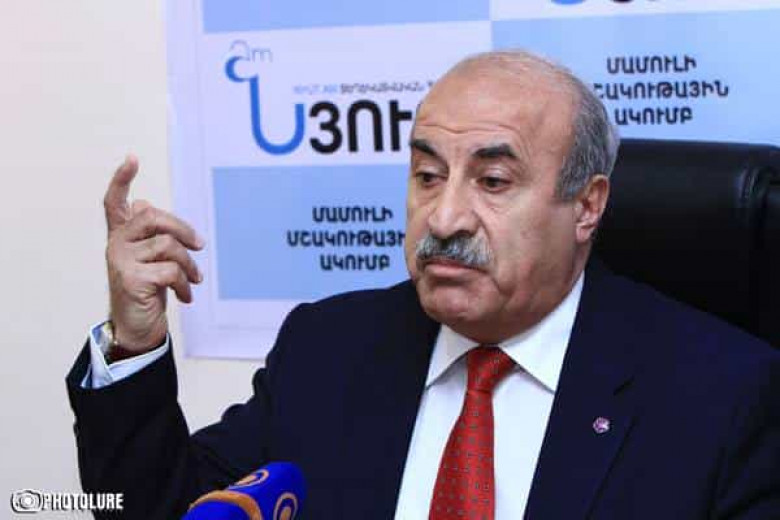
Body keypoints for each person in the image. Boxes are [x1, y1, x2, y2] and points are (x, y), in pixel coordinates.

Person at [66, 50, 780, 519]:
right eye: (428, 175)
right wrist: (135, 340)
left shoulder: (721, 394)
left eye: (493, 181)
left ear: (587, 206)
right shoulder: (331, 348)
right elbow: (164, 510)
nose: (442, 217)